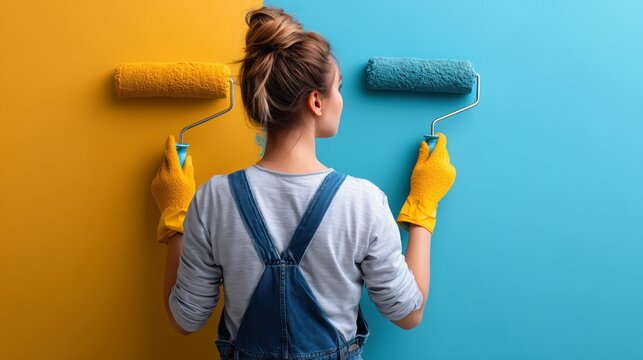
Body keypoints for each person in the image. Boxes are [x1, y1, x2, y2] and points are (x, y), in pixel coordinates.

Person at [150, 5, 456, 360]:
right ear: (315, 101)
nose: (341, 100)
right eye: (337, 88)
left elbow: (183, 319)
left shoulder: (214, 200)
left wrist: (175, 215)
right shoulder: (363, 202)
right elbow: (409, 313)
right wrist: (423, 203)